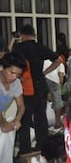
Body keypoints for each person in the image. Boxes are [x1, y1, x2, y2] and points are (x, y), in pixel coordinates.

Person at [13, 24, 61, 154]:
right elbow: (58, 60)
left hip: (25, 88)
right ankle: (43, 148)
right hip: (40, 86)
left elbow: (11, 63)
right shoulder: (40, 47)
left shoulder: (18, 48)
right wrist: (44, 72)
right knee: (41, 118)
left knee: (25, 120)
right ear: (33, 34)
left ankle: (26, 151)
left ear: (22, 35)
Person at [43, 58, 65, 128]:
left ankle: (43, 124)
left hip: (41, 78)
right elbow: (61, 79)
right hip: (53, 80)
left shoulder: (45, 61)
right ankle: (57, 123)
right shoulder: (61, 64)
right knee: (57, 101)